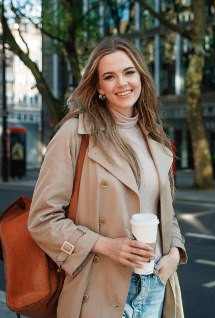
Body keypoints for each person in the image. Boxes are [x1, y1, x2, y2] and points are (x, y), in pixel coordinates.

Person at [28, 36, 187, 318]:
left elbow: (165, 210)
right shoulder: (75, 134)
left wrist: (174, 252)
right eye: (110, 76)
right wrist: (105, 245)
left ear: (141, 76)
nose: (122, 83)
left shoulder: (155, 136)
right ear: (99, 87)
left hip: (155, 284)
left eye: (128, 72)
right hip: (100, 289)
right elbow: (42, 219)